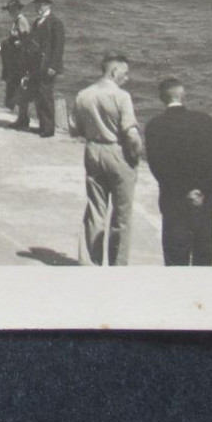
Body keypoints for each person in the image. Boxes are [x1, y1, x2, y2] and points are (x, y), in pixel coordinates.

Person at [144, 77, 212, 266]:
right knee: (204, 256)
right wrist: (203, 190)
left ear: (161, 98)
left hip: (174, 199)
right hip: (204, 200)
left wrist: (184, 192)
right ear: (184, 95)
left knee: (175, 258)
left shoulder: (155, 125)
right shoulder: (205, 121)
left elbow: (157, 166)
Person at [72, 54, 143, 265]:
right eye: (125, 73)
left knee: (95, 209)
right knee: (122, 215)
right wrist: (136, 153)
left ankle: (90, 262)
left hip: (93, 150)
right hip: (117, 150)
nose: (127, 78)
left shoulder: (83, 94)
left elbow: (74, 129)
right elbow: (130, 133)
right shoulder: (122, 96)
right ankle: (117, 265)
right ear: (114, 72)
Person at [27, 0, 66, 136]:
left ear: (48, 5)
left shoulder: (55, 23)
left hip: (48, 65)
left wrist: (53, 66)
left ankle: (49, 128)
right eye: (37, 5)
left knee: (46, 95)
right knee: (39, 95)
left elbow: (58, 47)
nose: (38, 8)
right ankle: (42, 124)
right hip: (37, 65)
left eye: (41, 5)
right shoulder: (37, 22)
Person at [1, 0, 33, 126]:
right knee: (17, 86)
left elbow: (26, 38)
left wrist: (18, 43)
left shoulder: (21, 21)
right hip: (16, 58)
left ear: (17, 10)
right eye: (9, 10)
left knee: (21, 87)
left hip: (22, 59)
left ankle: (23, 118)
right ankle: (22, 117)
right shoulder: (16, 21)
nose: (10, 12)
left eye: (12, 10)